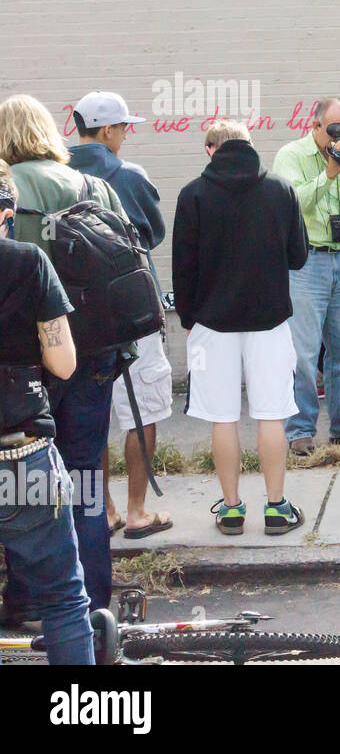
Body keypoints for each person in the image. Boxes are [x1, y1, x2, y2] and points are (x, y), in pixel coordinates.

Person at [0, 94, 125, 617]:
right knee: (85, 475)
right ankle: (92, 601)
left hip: (27, 366)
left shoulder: (9, 188)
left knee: (22, 481)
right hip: (94, 352)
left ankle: (30, 598)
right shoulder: (92, 185)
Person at [173, 120, 309, 535]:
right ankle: (275, 506)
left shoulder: (193, 194)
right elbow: (299, 256)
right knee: (271, 415)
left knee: (224, 418)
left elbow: (183, 266)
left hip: (213, 323)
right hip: (269, 322)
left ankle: (231, 509)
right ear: (249, 146)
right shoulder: (279, 190)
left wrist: (189, 317)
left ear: (212, 149)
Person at [0, 159, 96, 664]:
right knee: (61, 596)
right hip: (20, 457)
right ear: (7, 212)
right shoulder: (28, 262)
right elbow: (63, 363)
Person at [66, 91, 173, 541]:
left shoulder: (57, 175)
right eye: (124, 127)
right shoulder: (128, 176)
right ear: (108, 131)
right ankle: (137, 511)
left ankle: (103, 510)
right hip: (131, 312)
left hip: (75, 318)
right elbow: (153, 232)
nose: (126, 135)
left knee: (90, 419)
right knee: (142, 409)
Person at [273, 97, 340, 455]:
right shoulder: (291, 156)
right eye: (335, 130)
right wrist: (328, 175)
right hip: (307, 262)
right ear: (315, 126)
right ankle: (300, 430)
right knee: (302, 353)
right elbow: (290, 205)